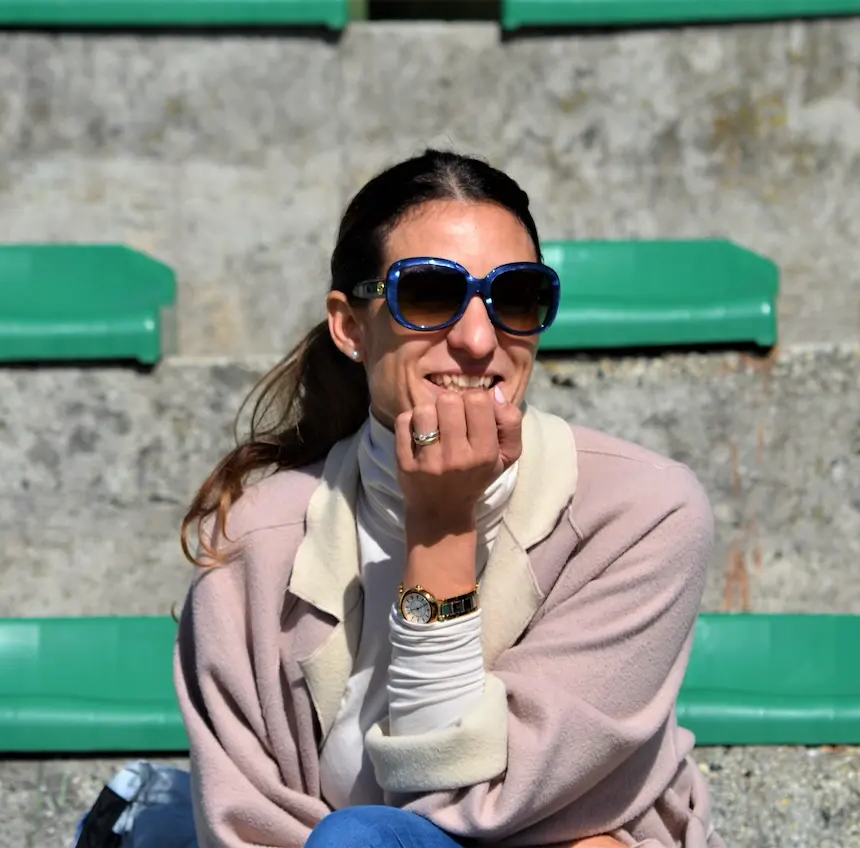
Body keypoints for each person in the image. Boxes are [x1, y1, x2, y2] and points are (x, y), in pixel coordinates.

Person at [173, 149, 721, 848]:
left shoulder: (642, 512)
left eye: (516, 297)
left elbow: (474, 801)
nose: (479, 339)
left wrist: (441, 530)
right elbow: (246, 831)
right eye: (429, 294)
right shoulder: (254, 546)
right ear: (350, 326)